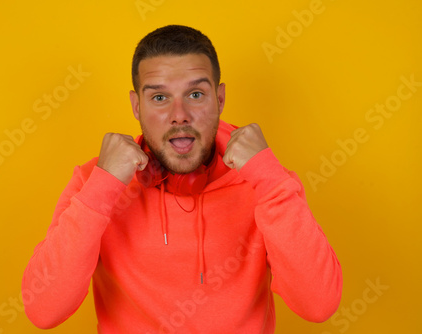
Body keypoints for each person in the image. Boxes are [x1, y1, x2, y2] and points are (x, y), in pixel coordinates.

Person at [22, 25, 342, 333]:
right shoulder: (95, 182)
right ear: (137, 106)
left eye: (195, 94)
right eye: (159, 98)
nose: (179, 114)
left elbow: (318, 306)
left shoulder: (268, 181)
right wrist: (102, 188)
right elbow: (43, 310)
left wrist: (271, 180)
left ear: (220, 99)